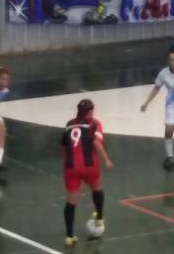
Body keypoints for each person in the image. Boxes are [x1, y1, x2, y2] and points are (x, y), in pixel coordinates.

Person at [61, 99, 113, 247]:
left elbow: (64, 147)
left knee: (71, 201)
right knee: (97, 187)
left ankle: (69, 236)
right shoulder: (95, 123)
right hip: (89, 165)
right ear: (90, 112)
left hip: (71, 167)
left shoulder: (69, 124)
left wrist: (66, 163)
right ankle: (100, 217)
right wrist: (106, 160)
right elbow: (96, 143)